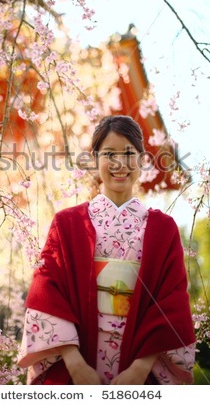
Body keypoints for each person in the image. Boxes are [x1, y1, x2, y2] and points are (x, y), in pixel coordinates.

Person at [17, 115, 196, 385]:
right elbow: (47, 291)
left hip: (140, 366)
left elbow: (171, 302)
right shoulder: (67, 224)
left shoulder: (164, 229)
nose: (119, 164)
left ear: (142, 159)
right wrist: (75, 363)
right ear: (95, 159)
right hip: (75, 364)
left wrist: (139, 369)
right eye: (109, 153)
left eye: (129, 153)